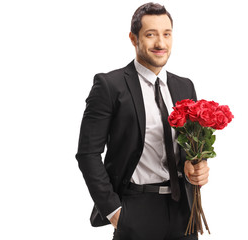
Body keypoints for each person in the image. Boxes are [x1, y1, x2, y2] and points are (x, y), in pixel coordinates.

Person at [76, 3, 210, 240]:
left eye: (166, 34)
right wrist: (114, 211)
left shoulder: (184, 86)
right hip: (135, 208)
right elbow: (88, 154)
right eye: (151, 34)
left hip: (183, 211)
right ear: (133, 38)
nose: (160, 43)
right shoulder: (110, 86)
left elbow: (191, 144)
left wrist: (197, 166)